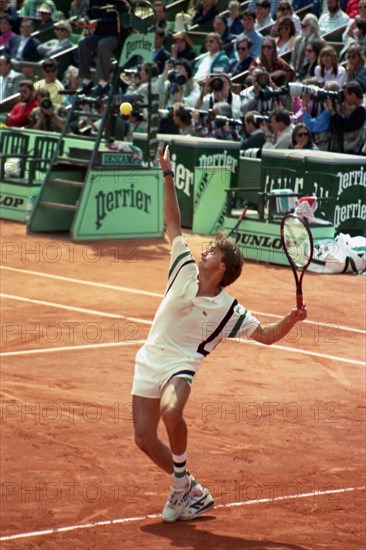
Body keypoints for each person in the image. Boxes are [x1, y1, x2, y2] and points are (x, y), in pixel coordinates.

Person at [132, 144, 307, 523]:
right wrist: (165, 172)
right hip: (150, 356)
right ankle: (190, 490)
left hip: (181, 363)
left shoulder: (229, 309)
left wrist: (290, 320)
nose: (203, 251)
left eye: (210, 251)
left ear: (222, 267)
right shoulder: (182, 268)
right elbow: (172, 222)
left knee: (171, 411)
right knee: (144, 438)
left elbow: (265, 334)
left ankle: (180, 487)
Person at [76, 0, 131, 97]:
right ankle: (86, 81)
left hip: (116, 37)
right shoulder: (96, 2)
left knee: (103, 44)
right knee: (82, 43)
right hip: (100, 35)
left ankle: (103, 83)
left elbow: (118, 21)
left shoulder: (121, 3)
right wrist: (85, 22)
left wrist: (98, 23)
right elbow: (90, 15)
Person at [327, 80, 366, 153]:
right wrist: (345, 114)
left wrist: (332, 111)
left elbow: (345, 126)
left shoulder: (362, 109)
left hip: (356, 151)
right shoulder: (359, 108)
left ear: (353, 95)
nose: (344, 98)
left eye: (345, 95)